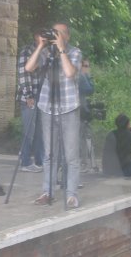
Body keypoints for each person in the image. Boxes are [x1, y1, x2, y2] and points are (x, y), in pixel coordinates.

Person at [25, 22, 82, 208]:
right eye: (54, 32)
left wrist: (61, 50)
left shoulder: (75, 52)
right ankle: (47, 192)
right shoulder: (46, 53)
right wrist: (41, 45)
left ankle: (71, 194)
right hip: (47, 108)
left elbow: (69, 72)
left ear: (68, 36)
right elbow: (28, 67)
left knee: (71, 155)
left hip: (69, 108)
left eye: (60, 33)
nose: (56, 35)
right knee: (49, 154)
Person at [17, 29, 45, 173]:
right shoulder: (26, 51)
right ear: (35, 36)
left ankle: (40, 161)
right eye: (41, 35)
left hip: (41, 98)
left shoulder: (46, 52)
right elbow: (23, 73)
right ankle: (26, 162)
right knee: (29, 131)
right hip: (29, 98)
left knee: (40, 131)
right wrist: (28, 95)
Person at [78, 58, 96, 173]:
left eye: (88, 66)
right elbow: (90, 89)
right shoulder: (81, 77)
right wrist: (88, 77)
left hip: (82, 110)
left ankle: (84, 163)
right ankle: (84, 163)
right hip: (79, 111)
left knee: (84, 138)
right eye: (85, 65)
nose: (87, 68)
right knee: (81, 138)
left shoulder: (81, 76)